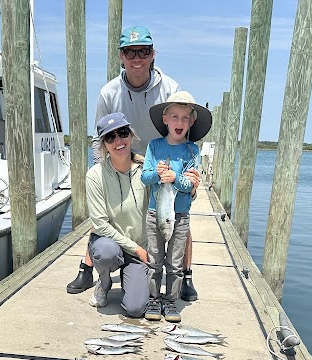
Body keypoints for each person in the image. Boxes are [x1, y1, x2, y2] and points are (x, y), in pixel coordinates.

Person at [66, 26, 199, 303]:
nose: (137, 57)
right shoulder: (108, 92)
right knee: (104, 214)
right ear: (121, 56)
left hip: (160, 162)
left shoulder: (170, 87)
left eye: (144, 51)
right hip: (121, 154)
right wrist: (102, 172)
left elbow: (182, 128)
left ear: (153, 55)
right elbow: (97, 137)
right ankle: (88, 267)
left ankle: (186, 275)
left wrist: (188, 176)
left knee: (177, 218)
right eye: (130, 51)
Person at [141, 91, 211, 322]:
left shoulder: (193, 151)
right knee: (154, 259)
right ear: (165, 119)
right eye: (174, 116)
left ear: (191, 121)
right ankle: (153, 298)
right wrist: (158, 175)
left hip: (180, 216)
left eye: (184, 118)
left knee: (175, 262)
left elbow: (189, 183)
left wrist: (174, 178)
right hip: (156, 213)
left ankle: (170, 301)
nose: (179, 122)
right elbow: (145, 177)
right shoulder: (154, 146)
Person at [85, 112, 149, 318]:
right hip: (111, 245)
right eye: (110, 137)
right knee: (106, 252)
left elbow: (169, 205)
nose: (118, 141)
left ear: (131, 135)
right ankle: (103, 283)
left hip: (137, 249)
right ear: (104, 144)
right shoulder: (94, 175)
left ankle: (132, 279)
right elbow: (100, 225)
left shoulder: (146, 170)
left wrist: (190, 190)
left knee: (136, 309)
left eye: (122, 133)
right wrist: (137, 249)